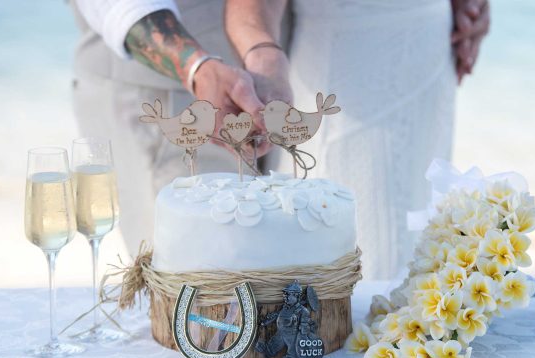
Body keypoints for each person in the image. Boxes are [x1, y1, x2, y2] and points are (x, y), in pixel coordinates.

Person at [225, 0, 490, 279]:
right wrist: (261, 55)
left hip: (431, 65)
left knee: (422, 248)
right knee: (353, 257)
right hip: (343, 83)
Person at [70, 0, 275, 252]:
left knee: (262, 266)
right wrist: (199, 70)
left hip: (267, 88)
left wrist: (264, 52)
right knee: (196, 268)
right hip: (164, 104)